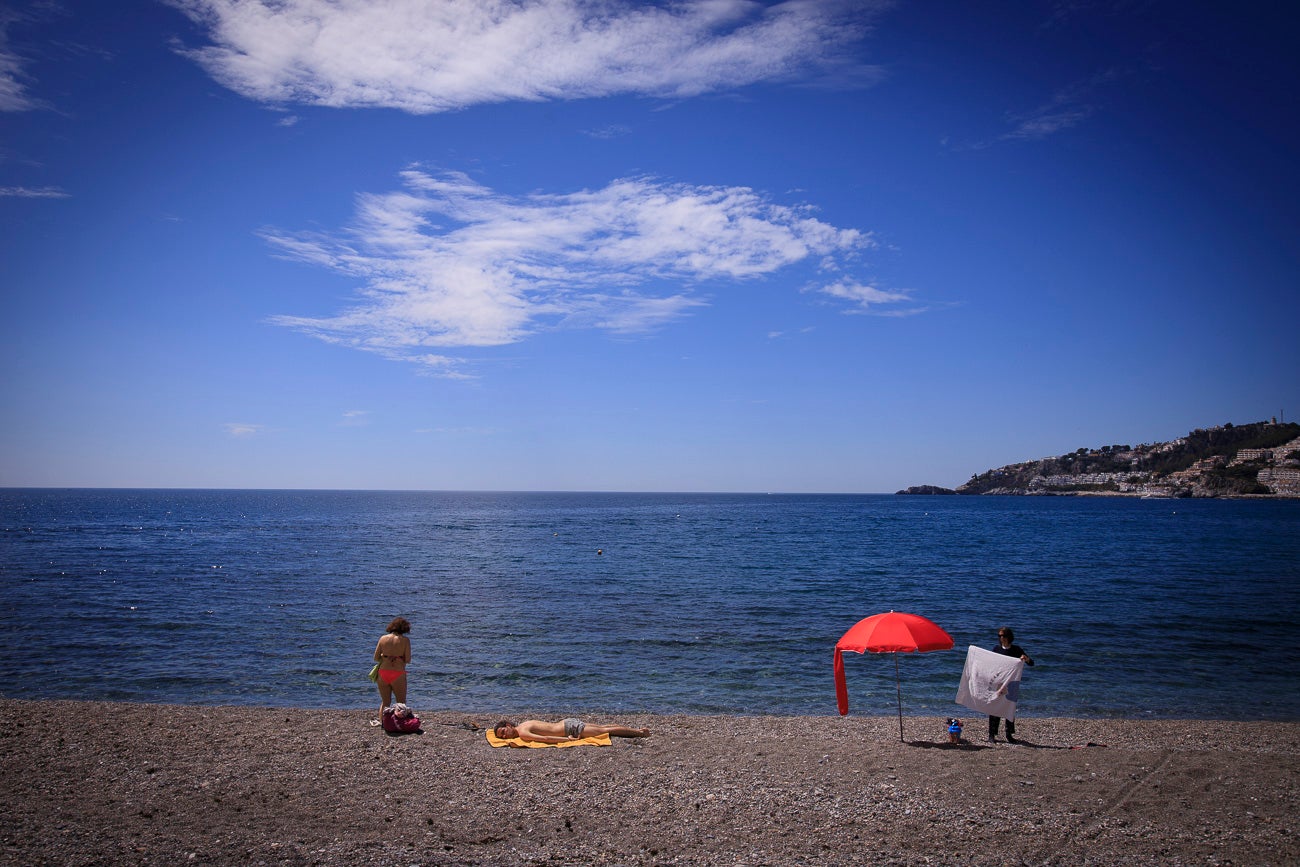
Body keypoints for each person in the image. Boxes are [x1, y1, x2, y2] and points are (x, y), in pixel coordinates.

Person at [988, 626, 1033, 743]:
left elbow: (1031, 663)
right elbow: (991, 663)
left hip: (1011, 683)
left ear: (1009, 636)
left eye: (1003, 635)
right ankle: (992, 734)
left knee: (1009, 708)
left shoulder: (1016, 650)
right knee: (994, 707)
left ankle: (1009, 734)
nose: (1001, 638)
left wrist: (1026, 659)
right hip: (999, 682)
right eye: (999, 636)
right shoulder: (996, 649)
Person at [493, 718, 650, 744]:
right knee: (603, 727)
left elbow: (546, 739)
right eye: (502, 736)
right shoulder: (524, 723)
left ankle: (640, 733)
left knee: (607, 731)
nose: (505, 736)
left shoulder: (523, 733)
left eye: (503, 732)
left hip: (569, 728)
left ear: (508, 725)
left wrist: (567, 740)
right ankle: (636, 730)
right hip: (567, 722)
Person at [372, 617, 411, 724]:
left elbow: (376, 658)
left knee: (385, 702)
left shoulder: (383, 638)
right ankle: (400, 723)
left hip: (383, 672)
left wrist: (385, 656)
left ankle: (383, 723)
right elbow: (408, 659)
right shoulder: (405, 640)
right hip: (398, 673)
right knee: (401, 702)